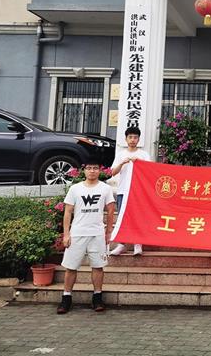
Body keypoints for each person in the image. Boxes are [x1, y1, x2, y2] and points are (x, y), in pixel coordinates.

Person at [57, 158, 115, 314]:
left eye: (95, 168)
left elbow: (110, 210)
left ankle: (97, 297)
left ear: (99, 170)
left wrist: (108, 232)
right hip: (77, 233)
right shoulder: (75, 189)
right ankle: (66, 298)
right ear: (84, 170)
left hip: (97, 234)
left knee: (98, 266)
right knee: (71, 267)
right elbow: (68, 212)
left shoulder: (105, 189)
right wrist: (66, 234)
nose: (92, 171)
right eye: (89, 168)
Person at [109, 127, 151, 256]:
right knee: (122, 218)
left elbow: (150, 171)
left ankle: (138, 243)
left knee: (138, 217)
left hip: (139, 192)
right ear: (126, 139)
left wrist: (140, 163)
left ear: (139, 139)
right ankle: (122, 244)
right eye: (130, 137)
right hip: (123, 191)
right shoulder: (121, 154)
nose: (133, 140)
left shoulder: (144, 154)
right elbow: (113, 172)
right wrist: (122, 163)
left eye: (135, 137)